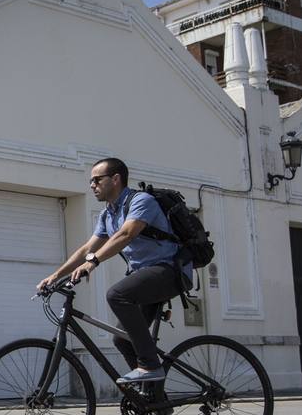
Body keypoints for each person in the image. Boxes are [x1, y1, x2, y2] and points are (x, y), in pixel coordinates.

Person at [36, 156, 193, 391]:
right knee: (121, 338)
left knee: (116, 294)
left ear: (116, 179)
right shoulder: (107, 214)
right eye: (91, 181)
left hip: (169, 270)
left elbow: (126, 234)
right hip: (145, 275)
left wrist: (94, 262)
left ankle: (150, 365)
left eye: (97, 180)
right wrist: (55, 275)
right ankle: (155, 402)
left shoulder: (142, 201)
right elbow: (87, 248)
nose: (92, 185)